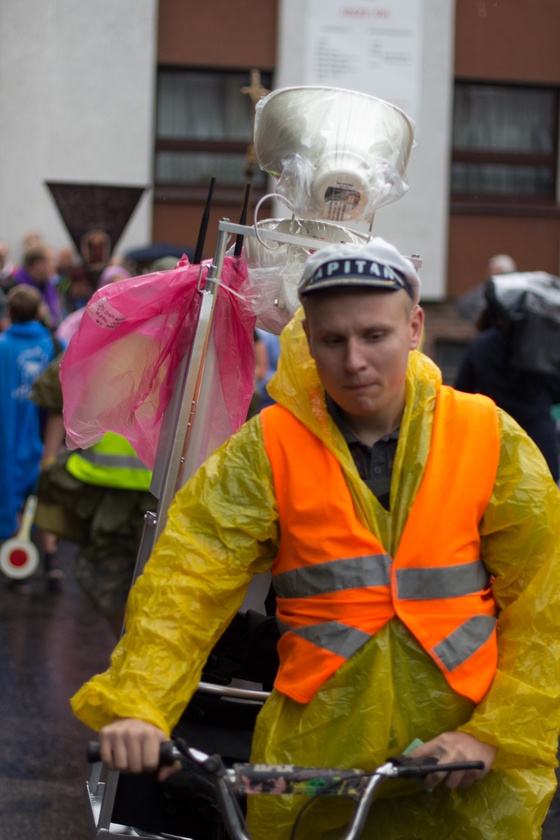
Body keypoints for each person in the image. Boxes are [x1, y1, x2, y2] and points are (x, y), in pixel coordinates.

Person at [71, 238, 560, 840]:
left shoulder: (488, 436)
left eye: (374, 336)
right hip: (315, 760)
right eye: (332, 340)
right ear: (307, 340)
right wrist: (139, 706)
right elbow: (186, 581)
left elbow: (546, 601)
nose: (354, 361)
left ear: (414, 327)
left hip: (460, 764)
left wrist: (494, 732)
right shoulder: (270, 447)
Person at [31, 353, 155, 635]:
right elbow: (59, 386)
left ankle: (136, 652)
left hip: (151, 491)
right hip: (119, 491)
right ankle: (132, 650)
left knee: (140, 584)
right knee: (109, 579)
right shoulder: (113, 333)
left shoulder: (185, 334)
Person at [455, 283, 560, 482]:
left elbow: (462, 393)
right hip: (538, 445)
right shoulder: (538, 347)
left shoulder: (480, 345)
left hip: (496, 442)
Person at [0, 285, 56, 544]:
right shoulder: (54, 345)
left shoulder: (3, 346)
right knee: (44, 499)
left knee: (10, 493)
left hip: (7, 437)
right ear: (38, 312)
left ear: (10, 312)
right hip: (46, 436)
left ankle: (15, 553)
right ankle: (50, 560)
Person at [13, 243, 62, 327]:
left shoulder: (48, 286)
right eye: (51, 261)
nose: (54, 266)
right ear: (38, 265)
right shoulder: (15, 291)